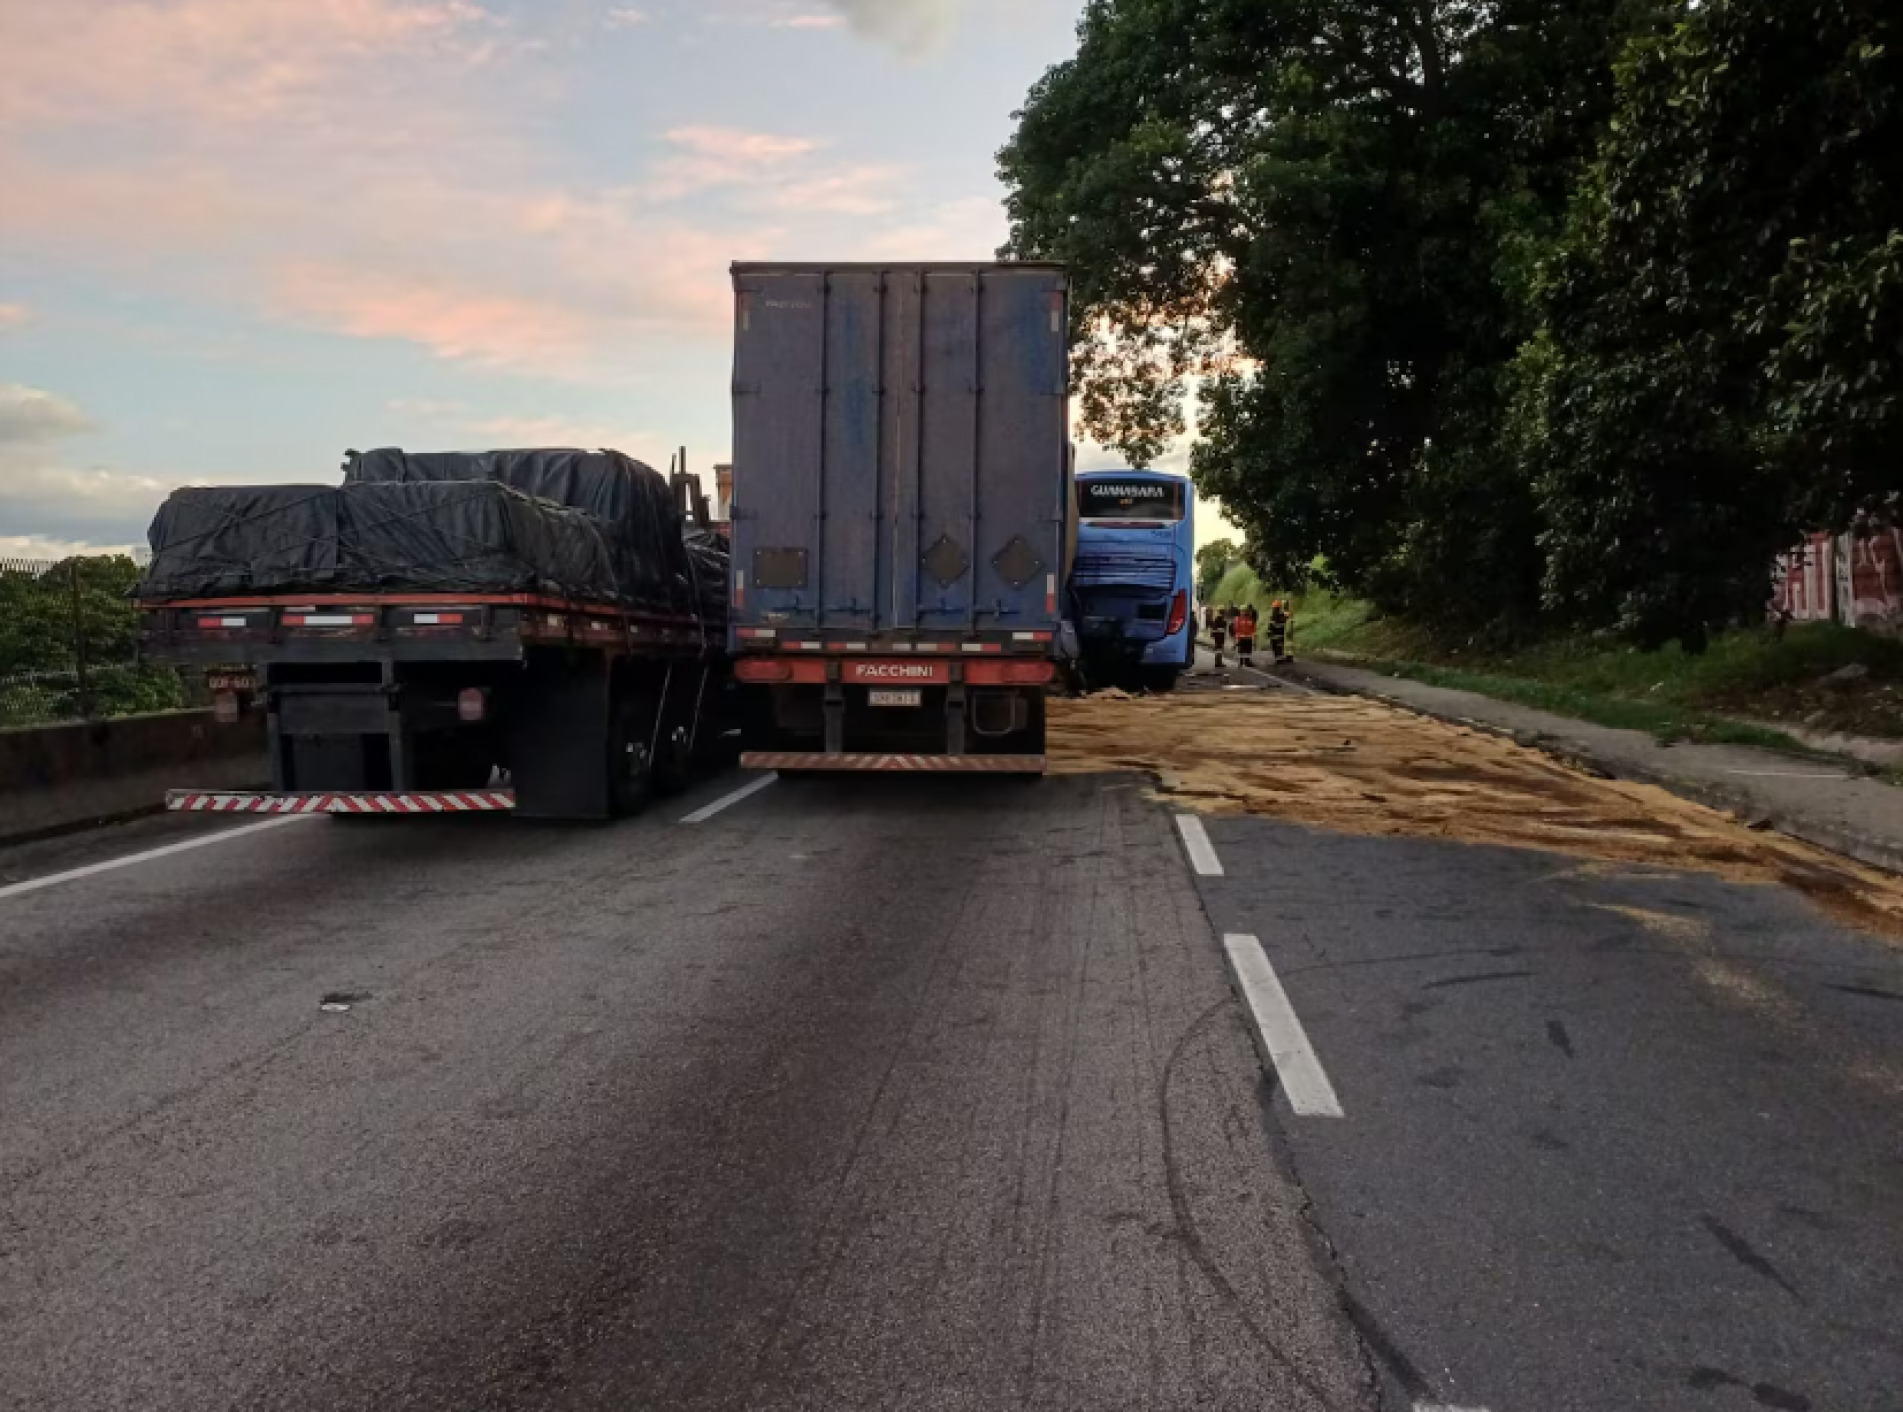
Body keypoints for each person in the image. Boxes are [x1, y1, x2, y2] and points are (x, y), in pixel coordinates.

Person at [1234, 604, 1258, 668]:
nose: (1244, 612)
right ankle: (1243, 662)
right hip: (1244, 638)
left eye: (1244, 611)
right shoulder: (1249, 619)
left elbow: (1254, 630)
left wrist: (1254, 640)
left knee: (1246, 650)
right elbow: (1236, 630)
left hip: (1246, 638)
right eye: (1243, 611)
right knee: (1244, 650)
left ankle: (1244, 662)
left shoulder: (1239, 619)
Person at [1268, 599, 1291, 663]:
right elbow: (1286, 618)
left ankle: (1278, 659)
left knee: (1276, 647)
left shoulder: (1273, 616)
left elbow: (1270, 625)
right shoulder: (1282, 615)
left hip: (1275, 634)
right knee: (1279, 647)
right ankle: (1279, 659)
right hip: (1280, 634)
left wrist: (1269, 632)